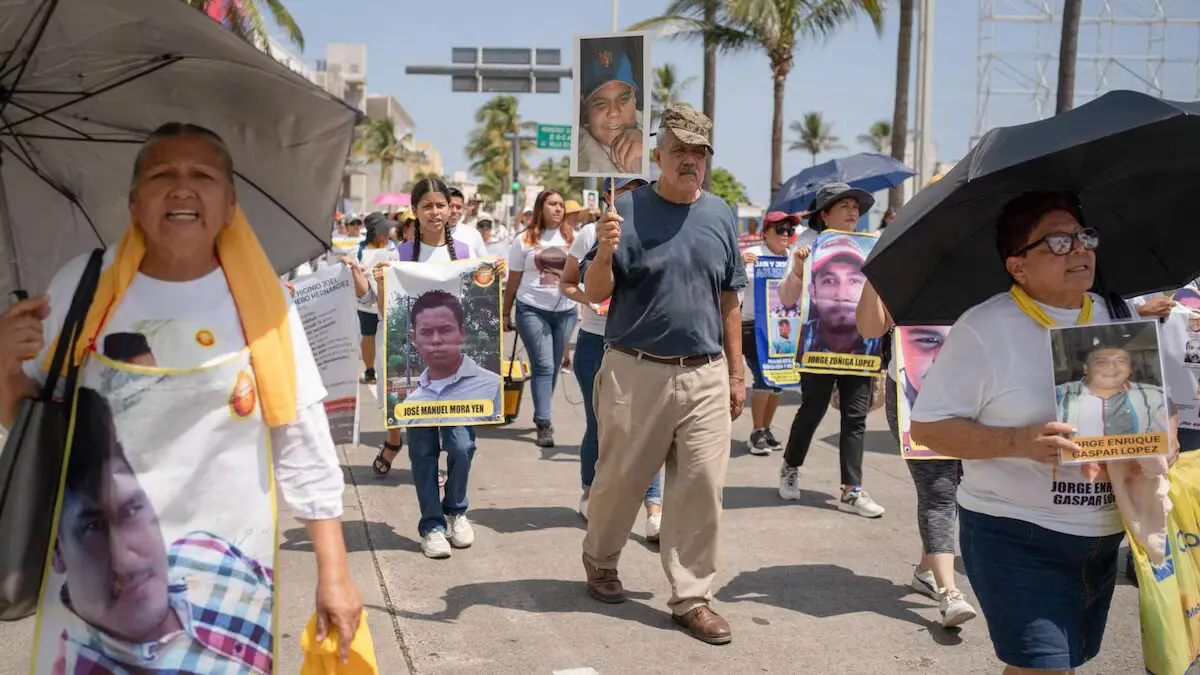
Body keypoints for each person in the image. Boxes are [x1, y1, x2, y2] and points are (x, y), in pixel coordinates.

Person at [0, 122, 361, 665]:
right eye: (162, 174)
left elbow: (303, 440)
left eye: (203, 175)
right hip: (92, 588)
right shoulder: (82, 285)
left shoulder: (265, 307)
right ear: (134, 200)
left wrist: (335, 573)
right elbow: (32, 429)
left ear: (231, 203)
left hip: (229, 575)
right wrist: (5, 362)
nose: (183, 187)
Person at [909, 191, 1180, 674]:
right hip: (1015, 532)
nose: (1079, 250)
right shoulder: (984, 327)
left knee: (1057, 664)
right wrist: (1018, 443)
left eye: (1084, 237)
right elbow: (928, 428)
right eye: (1058, 242)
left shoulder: (1118, 314)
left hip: (1103, 534)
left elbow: (1160, 405)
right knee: (1045, 668)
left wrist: (1165, 434)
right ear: (1018, 266)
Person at [579, 104, 744, 645]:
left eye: (699, 152)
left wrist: (737, 372)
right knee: (620, 483)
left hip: (705, 374)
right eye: (679, 151)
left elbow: (728, 301)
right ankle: (601, 559)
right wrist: (604, 251)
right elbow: (597, 292)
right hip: (635, 370)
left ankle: (692, 597)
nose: (689, 161)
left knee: (702, 488)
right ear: (658, 155)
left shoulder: (722, 214)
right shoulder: (623, 209)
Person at [53, 388, 275, 672]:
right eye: (93, 527)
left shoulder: (206, 554)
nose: (126, 560)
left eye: (131, 510)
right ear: (56, 550)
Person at [366, 178, 477, 559]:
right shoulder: (401, 255)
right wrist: (383, 282)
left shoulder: (463, 250)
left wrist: (487, 277)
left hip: (458, 368)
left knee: (462, 445)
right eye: (426, 206)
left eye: (440, 206)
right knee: (424, 449)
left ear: (451, 210)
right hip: (415, 369)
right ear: (415, 211)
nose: (434, 213)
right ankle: (431, 524)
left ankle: (456, 510)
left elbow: (477, 305)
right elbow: (388, 312)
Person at [857, 280, 977, 627]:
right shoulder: (908, 265)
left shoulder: (992, 260)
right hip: (916, 392)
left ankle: (927, 570)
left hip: (978, 392)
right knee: (939, 488)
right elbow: (870, 327)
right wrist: (876, 274)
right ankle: (950, 592)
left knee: (965, 488)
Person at [559, 177, 663, 540]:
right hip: (595, 341)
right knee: (599, 423)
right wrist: (591, 300)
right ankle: (589, 491)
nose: (631, 197)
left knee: (649, 429)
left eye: (638, 189)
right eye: (623, 191)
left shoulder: (657, 229)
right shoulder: (589, 234)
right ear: (606, 197)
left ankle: (653, 507)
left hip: (642, 343)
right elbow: (568, 283)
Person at [775, 182, 885, 517]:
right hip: (817, 347)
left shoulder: (872, 247)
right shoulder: (807, 246)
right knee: (812, 409)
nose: (854, 212)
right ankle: (791, 466)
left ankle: (852, 489)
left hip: (862, 347)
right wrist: (797, 269)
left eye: (856, 206)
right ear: (825, 214)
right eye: (844, 206)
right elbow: (786, 298)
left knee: (855, 417)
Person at [503, 189, 578, 448]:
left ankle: (540, 411)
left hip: (566, 311)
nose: (558, 209)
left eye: (560, 204)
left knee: (553, 366)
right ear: (540, 207)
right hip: (532, 308)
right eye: (552, 204)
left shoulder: (573, 237)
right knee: (544, 365)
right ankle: (544, 422)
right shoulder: (523, 240)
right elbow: (513, 278)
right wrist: (505, 311)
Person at [738, 211, 796, 454]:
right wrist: (740, 265)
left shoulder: (794, 259)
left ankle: (767, 428)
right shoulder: (753, 257)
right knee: (762, 379)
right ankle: (756, 431)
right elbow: (729, 284)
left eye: (789, 230)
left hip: (783, 330)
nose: (785, 235)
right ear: (765, 233)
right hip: (752, 328)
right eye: (779, 230)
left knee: (778, 382)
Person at [398, 290, 503, 425]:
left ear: (462, 333)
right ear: (415, 339)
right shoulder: (409, 406)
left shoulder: (494, 387)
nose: (436, 340)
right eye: (426, 332)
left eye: (445, 330)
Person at [1055, 344, 1169, 436]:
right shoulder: (1058, 396)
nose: (1111, 367)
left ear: (1130, 369)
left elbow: (1163, 442)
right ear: (1086, 369)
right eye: (1101, 362)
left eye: (1120, 361)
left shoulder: (1155, 396)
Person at [575, 43, 643, 175]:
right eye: (601, 103)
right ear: (585, 105)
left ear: (634, 96)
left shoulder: (653, 130)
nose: (614, 112)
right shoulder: (582, 151)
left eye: (623, 99)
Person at [355, 211, 395, 385]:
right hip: (366, 304)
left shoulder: (393, 247)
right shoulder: (359, 250)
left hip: (387, 302)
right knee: (368, 335)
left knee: (389, 337)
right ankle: (370, 370)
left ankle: (390, 372)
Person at [447, 187, 489, 258]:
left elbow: (485, 262)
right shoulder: (430, 233)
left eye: (458, 207)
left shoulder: (484, 218)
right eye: (450, 206)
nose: (454, 211)